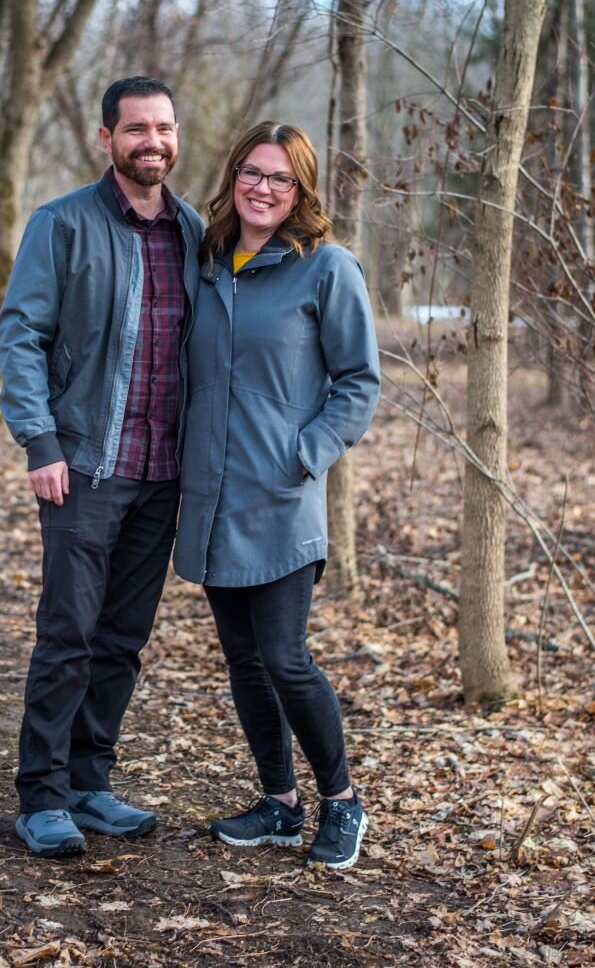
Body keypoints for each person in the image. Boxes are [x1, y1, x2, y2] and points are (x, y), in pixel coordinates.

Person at [0, 77, 203, 858]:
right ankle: (41, 795)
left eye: (165, 128)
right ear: (106, 138)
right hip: (84, 464)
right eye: (137, 129)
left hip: (162, 473)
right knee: (69, 633)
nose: (153, 141)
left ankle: (91, 783)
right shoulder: (63, 224)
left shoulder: (193, 231)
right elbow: (21, 335)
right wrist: (39, 441)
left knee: (122, 639)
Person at [173, 121, 380, 869]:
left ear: (301, 191)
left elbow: (359, 382)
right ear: (233, 177)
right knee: (243, 662)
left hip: (283, 497)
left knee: (286, 658)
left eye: (281, 179)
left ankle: (343, 802)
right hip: (212, 497)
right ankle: (279, 804)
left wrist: (308, 454)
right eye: (252, 173)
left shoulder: (326, 268)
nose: (263, 188)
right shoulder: (208, 262)